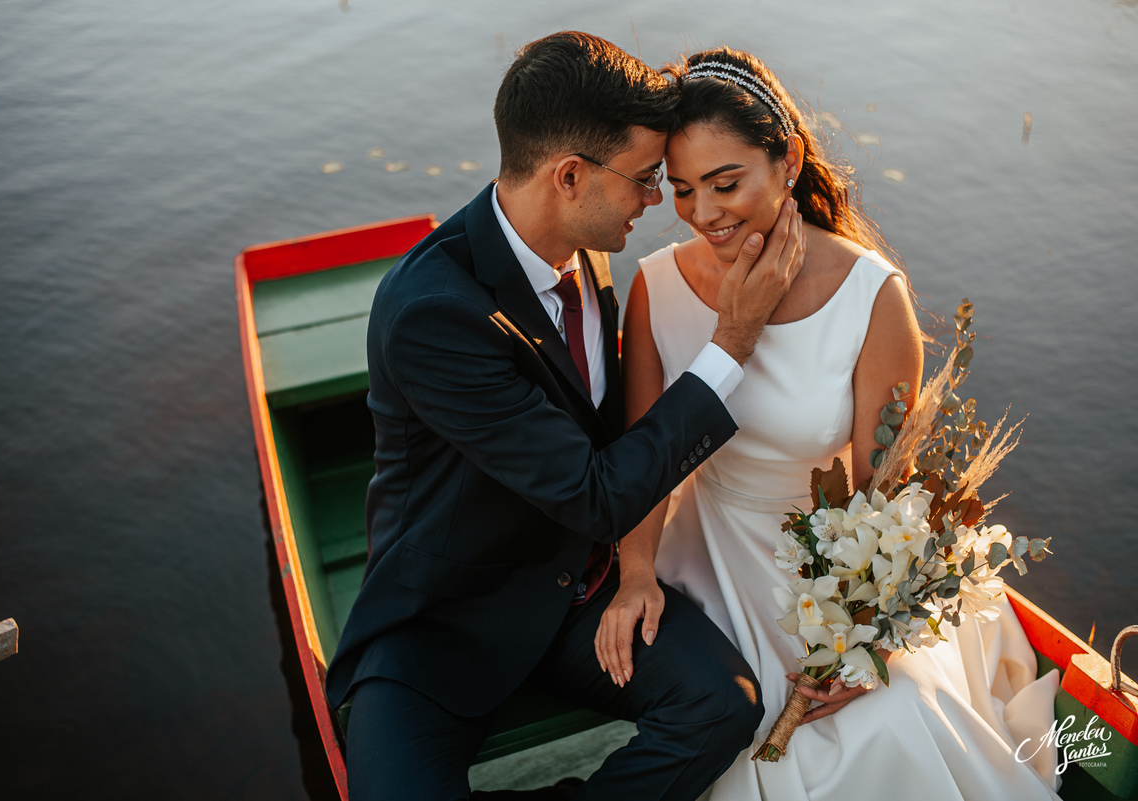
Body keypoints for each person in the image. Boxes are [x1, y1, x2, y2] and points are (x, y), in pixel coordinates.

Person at [325, 32, 808, 800]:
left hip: (578, 591)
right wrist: (731, 344)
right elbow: (597, 491)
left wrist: (636, 572)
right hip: (444, 625)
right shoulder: (432, 314)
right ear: (571, 175)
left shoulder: (589, 247)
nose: (660, 203)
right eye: (647, 180)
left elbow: (613, 432)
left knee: (722, 706)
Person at [595, 46, 1061, 801]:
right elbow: (645, 458)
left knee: (899, 715)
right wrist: (637, 575)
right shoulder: (656, 288)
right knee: (739, 730)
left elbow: (887, 497)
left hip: (835, 566)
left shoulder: (872, 296)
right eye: (681, 190)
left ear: (788, 161)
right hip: (708, 554)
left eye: (725, 183)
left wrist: (859, 634)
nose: (703, 213)